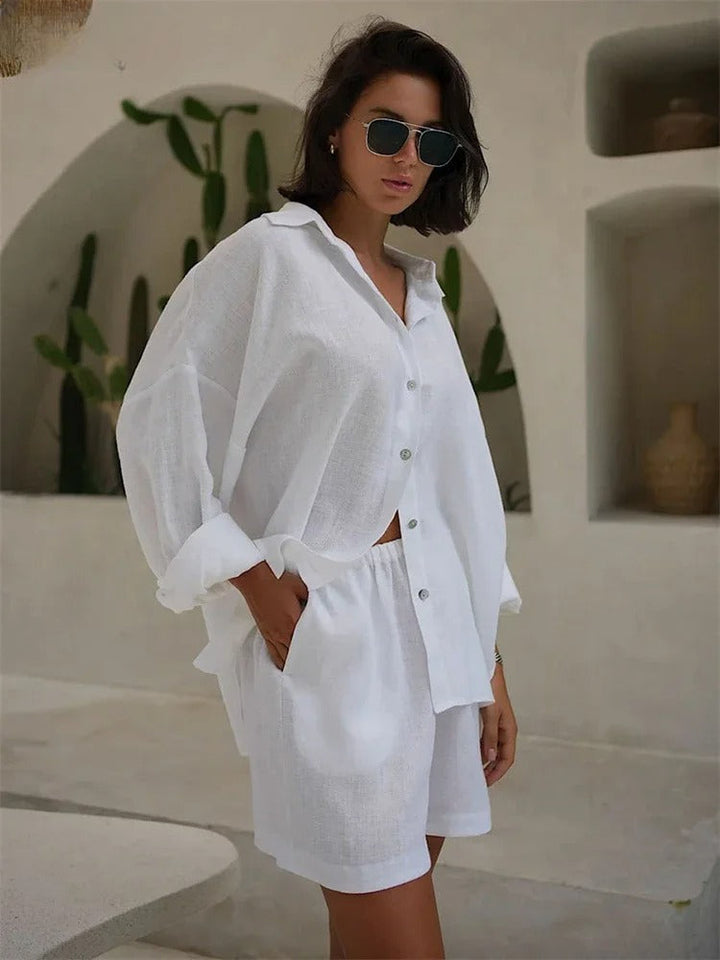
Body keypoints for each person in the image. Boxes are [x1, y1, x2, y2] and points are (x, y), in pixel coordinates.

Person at [116, 16, 522, 959]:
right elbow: (158, 417)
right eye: (386, 128)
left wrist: (488, 660)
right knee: (399, 935)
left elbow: (452, 494)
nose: (405, 157)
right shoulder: (270, 260)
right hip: (335, 635)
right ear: (336, 127)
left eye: (431, 142)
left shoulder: (420, 295)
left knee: (380, 924)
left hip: (435, 637)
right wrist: (250, 581)